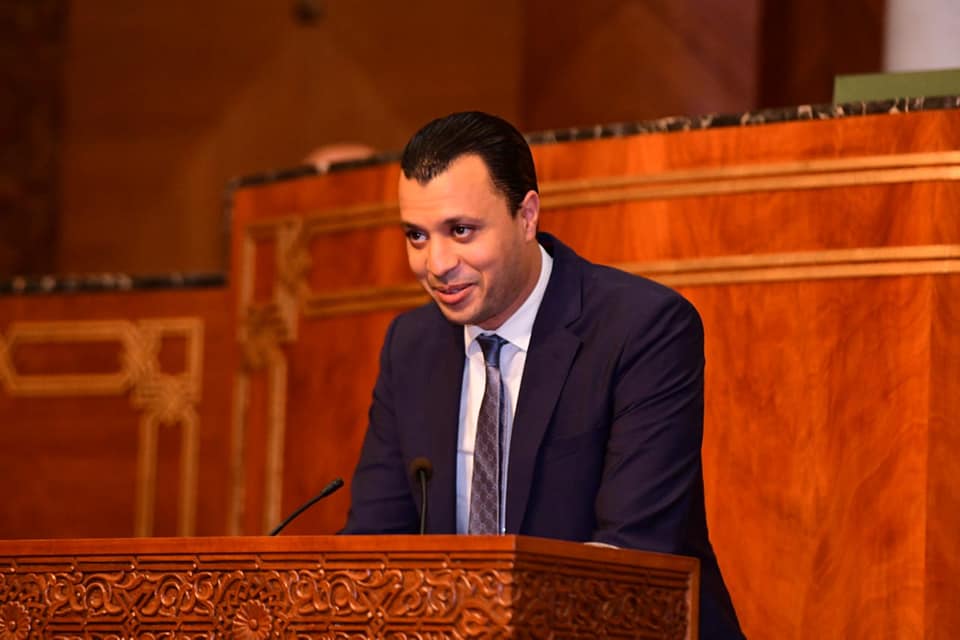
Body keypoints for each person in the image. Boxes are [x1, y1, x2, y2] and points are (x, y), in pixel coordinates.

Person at [342, 111, 744, 638]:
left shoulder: (642, 329)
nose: (436, 263)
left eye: (461, 231)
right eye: (417, 236)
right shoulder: (411, 347)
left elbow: (633, 554)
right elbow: (374, 546)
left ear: (527, 216)